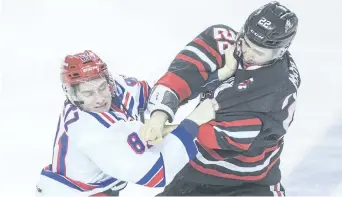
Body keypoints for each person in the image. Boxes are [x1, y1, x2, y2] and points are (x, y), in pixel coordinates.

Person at [140, 1, 301, 196]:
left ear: (280, 51)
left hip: (249, 186)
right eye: (246, 43)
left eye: (259, 53)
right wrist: (159, 116)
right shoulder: (222, 40)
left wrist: (170, 129)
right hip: (193, 174)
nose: (248, 54)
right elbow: (180, 75)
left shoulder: (278, 86)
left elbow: (218, 135)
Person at [35, 50, 217, 196]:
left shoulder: (117, 89)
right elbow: (158, 173)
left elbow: (156, 95)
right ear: (73, 95)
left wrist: (209, 77)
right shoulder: (88, 131)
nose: (99, 98)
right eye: (88, 93)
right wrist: (192, 123)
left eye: (101, 88)